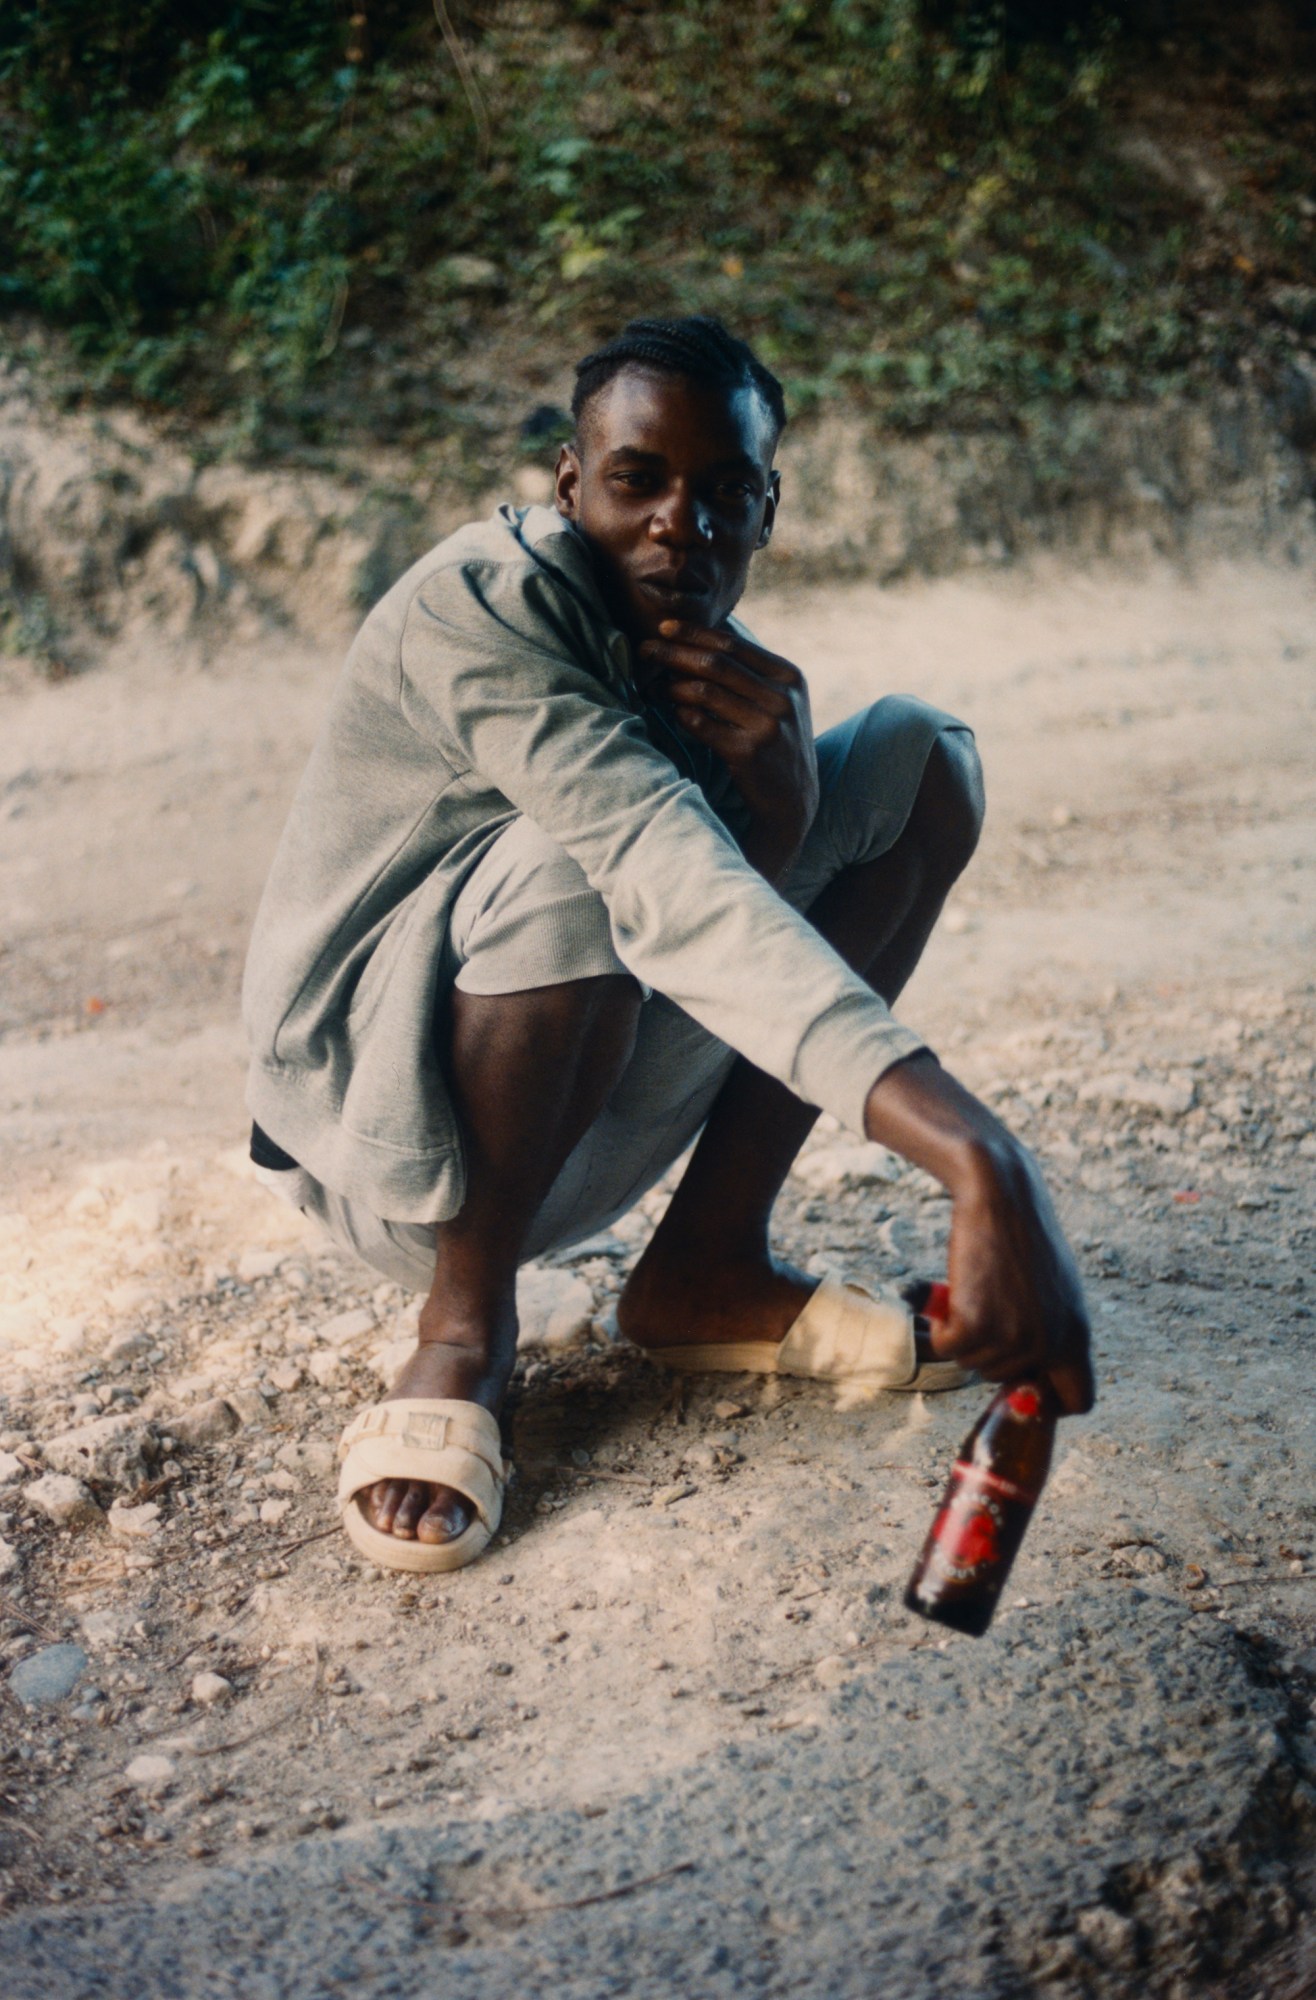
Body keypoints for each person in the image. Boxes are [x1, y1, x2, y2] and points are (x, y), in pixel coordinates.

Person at [242, 314, 1093, 1576]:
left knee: (921, 758)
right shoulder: (482, 604)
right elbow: (650, 871)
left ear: (767, 510)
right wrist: (979, 1158)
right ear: (571, 485)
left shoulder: (702, 660)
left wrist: (789, 808)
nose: (679, 527)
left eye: (723, 494)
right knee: (574, 860)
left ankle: (704, 1267)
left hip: (573, 1106)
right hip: (384, 1149)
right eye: (637, 481)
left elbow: (695, 930)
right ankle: (465, 1329)